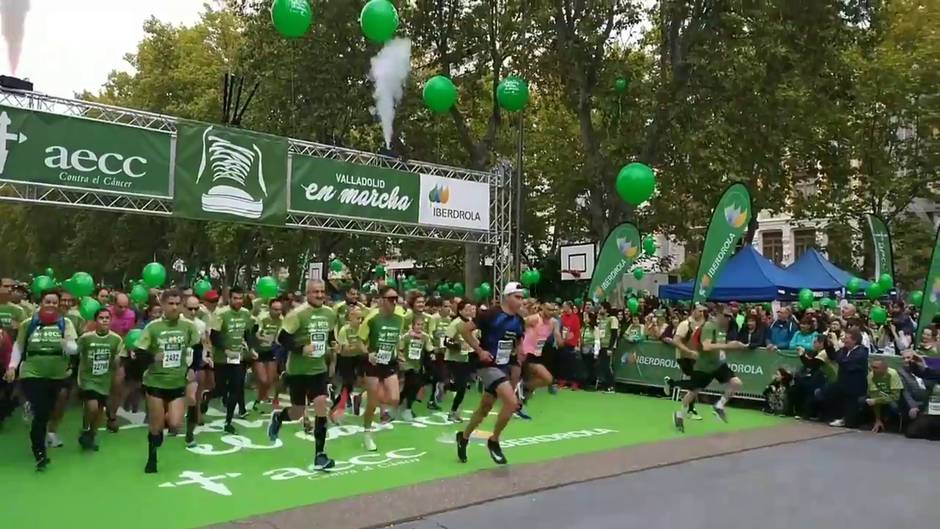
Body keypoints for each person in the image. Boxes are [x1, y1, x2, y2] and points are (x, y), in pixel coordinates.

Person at [4, 289, 78, 470]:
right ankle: (39, 452)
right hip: (32, 371)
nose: (51, 305)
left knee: (48, 410)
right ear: (40, 303)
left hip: (56, 374)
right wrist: (12, 367)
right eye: (48, 301)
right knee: (42, 411)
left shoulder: (65, 323)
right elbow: (19, 346)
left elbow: (74, 349)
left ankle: (33, 411)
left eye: (54, 302)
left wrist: (66, 344)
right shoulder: (28, 323)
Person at [268, 280, 337, 470]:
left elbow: (329, 335)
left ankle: (320, 455)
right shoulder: (297, 314)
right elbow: (282, 338)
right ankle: (278, 418)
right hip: (297, 370)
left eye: (322, 292)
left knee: (321, 406)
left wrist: (333, 346)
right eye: (316, 292)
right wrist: (301, 348)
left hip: (318, 369)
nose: (320, 295)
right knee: (298, 412)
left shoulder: (330, 313)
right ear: (308, 294)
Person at [455, 282, 526, 465]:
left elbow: (517, 345)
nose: (521, 301)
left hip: (504, 367)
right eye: (517, 297)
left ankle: (463, 437)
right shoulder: (491, 314)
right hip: (487, 365)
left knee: (484, 408)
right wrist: (480, 351)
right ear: (507, 296)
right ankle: (494, 441)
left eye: (522, 297)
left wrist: (518, 362)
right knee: (511, 402)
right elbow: (464, 329)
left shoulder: (519, 321)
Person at [134, 288, 201, 473]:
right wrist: (152, 357)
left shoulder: (188, 326)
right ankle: (152, 457)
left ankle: (159, 433)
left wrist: (192, 368)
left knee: (174, 424)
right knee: (156, 426)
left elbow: (197, 348)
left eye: (177, 304)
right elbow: (139, 353)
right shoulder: (153, 327)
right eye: (170, 303)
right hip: (155, 382)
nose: (174, 307)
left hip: (177, 382)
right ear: (162, 304)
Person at [674, 305, 746, 433]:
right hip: (703, 366)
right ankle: (679, 414)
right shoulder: (709, 326)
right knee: (693, 392)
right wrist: (729, 346)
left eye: (730, 316)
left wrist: (737, 345)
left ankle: (719, 405)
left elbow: (719, 344)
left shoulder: (723, 327)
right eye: (726, 316)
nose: (728, 318)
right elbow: (706, 346)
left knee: (736, 383)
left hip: (718, 364)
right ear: (718, 314)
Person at [355, 285, 403, 452]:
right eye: (391, 299)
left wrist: (399, 351)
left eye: (396, 298)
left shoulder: (400, 316)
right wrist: (368, 354)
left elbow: (397, 336)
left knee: (395, 399)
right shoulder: (372, 317)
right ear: (382, 300)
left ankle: (365, 395)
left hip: (390, 361)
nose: (394, 302)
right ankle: (367, 434)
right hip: (373, 363)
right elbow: (360, 340)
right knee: (373, 404)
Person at [208, 287, 256, 433]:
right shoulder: (221, 313)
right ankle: (207, 396)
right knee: (221, 388)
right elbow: (214, 336)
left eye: (241, 298)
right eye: (235, 298)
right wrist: (225, 349)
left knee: (236, 386)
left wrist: (251, 348)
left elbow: (247, 333)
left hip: (238, 357)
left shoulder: (246, 313)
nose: (238, 301)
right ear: (229, 299)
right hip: (222, 358)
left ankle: (228, 421)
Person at [76, 308, 123, 451]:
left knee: (99, 410)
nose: (104, 320)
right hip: (87, 379)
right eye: (101, 318)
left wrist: (117, 361)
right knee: (92, 406)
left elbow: (119, 357)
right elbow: (75, 352)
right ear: (95, 321)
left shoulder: (116, 339)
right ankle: (85, 429)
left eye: (107, 318)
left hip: (105, 380)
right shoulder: (86, 338)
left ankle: (91, 435)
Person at [663, 305, 706, 421]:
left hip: (694, 358)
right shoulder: (684, 325)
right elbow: (676, 341)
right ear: (694, 311)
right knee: (696, 383)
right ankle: (690, 410)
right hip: (683, 357)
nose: (702, 313)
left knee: (695, 384)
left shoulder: (700, 325)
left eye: (703, 311)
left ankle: (671, 384)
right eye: (699, 311)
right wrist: (689, 351)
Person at [519, 300, 559, 417]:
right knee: (547, 378)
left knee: (534, 384)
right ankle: (521, 391)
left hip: (537, 354)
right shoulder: (534, 319)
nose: (551, 312)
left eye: (553, 310)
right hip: (526, 353)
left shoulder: (553, 322)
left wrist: (560, 339)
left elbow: (555, 335)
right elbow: (518, 328)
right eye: (549, 309)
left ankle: (521, 399)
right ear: (542, 308)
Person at [825, 329, 870, 428]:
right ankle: (837, 417)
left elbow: (844, 362)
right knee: (829, 391)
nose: (844, 340)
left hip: (854, 387)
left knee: (851, 423)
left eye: (847, 338)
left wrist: (837, 345)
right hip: (842, 383)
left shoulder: (861, 352)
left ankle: (849, 419)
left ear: (854, 340)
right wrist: (828, 344)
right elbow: (834, 357)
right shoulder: (845, 350)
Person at [181, 295, 210, 444]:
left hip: (191, 366)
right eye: (190, 308)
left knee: (192, 398)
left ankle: (189, 433)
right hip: (172, 369)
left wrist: (201, 360)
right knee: (172, 423)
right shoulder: (175, 322)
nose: (193, 312)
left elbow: (200, 346)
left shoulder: (200, 325)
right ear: (183, 307)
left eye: (196, 308)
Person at [332, 306, 366, 423]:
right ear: (350, 318)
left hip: (359, 358)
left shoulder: (363, 329)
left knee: (363, 381)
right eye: (357, 318)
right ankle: (339, 409)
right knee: (347, 385)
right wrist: (359, 347)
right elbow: (345, 350)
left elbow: (366, 346)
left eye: (361, 318)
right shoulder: (344, 330)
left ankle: (357, 397)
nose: (360, 321)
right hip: (346, 359)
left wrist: (361, 349)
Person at [444, 301, 477, 422]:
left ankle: (454, 410)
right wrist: (459, 346)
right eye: (467, 308)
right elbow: (446, 341)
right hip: (454, 359)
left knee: (463, 386)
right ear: (460, 310)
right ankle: (453, 411)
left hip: (466, 358)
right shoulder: (456, 323)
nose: (470, 311)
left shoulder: (471, 324)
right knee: (462, 386)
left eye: (472, 308)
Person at [251, 298, 283, 412]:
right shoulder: (262, 318)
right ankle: (260, 398)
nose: (278, 312)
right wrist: (265, 338)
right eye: (275, 310)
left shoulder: (282, 320)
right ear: (270, 309)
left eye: (280, 310)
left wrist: (275, 341)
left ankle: (259, 400)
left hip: (272, 352)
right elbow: (256, 334)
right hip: (258, 351)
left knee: (270, 380)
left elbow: (280, 337)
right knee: (263, 380)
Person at [398, 316, 433, 421]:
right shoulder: (406, 337)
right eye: (418, 324)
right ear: (412, 325)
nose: (420, 327)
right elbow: (400, 349)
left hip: (418, 365)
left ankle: (400, 400)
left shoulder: (425, 337)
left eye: (422, 325)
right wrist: (402, 359)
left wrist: (433, 353)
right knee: (414, 383)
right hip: (407, 364)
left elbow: (429, 348)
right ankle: (407, 409)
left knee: (411, 386)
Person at [901, 351, 940, 440]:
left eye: (908, 358)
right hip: (931, 409)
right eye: (904, 358)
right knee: (912, 432)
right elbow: (927, 374)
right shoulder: (903, 372)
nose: (906, 360)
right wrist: (917, 363)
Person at [864, 359, 902, 433]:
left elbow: (896, 397)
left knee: (893, 406)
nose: (873, 369)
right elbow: (874, 397)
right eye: (872, 367)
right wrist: (877, 419)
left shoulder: (892, 374)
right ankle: (876, 422)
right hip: (881, 397)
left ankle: (892, 424)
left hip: (894, 399)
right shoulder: (871, 376)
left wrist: (876, 400)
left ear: (884, 368)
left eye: (876, 367)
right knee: (863, 401)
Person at [595, 303, 619, 392]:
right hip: (602, 345)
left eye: (601, 308)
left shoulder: (612, 319)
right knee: (600, 365)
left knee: (607, 366)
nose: (600, 309)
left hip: (608, 346)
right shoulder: (602, 320)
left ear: (605, 309)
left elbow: (614, 334)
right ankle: (605, 385)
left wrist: (610, 348)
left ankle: (612, 386)